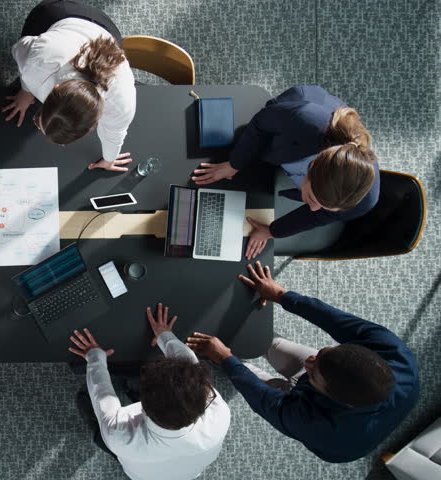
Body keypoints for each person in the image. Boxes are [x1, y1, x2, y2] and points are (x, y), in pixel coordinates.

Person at [187, 262, 419, 463]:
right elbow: (333, 319)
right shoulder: (394, 351)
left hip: (336, 436)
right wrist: (281, 295)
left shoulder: (319, 428)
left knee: (249, 375)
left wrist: (226, 358)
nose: (309, 359)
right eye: (320, 354)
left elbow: (264, 400)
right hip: (337, 396)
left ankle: (227, 358)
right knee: (269, 343)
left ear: (338, 398)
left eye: (314, 373)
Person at [192, 85, 380, 259]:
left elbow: (315, 218)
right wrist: (233, 165)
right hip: (288, 125)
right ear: (312, 166)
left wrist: (270, 231)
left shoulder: (362, 202)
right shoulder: (303, 119)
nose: (314, 209)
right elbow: (260, 124)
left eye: (322, 206)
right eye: (314, 200)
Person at [67, 303, 230, 479]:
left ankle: (98, 416)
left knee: (100, 430)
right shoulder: (219, 416)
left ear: (142, 403)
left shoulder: (119, 436)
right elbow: (191, 368)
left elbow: (101, 392)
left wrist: (94, 356)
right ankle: (131, 389)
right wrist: (164, 335)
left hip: (139, 471)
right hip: (181, 472)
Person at [3, 0, 136, 173]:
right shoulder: (39, 61)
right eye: (37, 120)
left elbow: (114, 133)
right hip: (58, 14)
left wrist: (109, 160)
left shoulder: (121, 102)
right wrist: (26, 89)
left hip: (102, 39)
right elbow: (20, 48)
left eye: (39, 122)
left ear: (92, 125)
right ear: (55, 89)